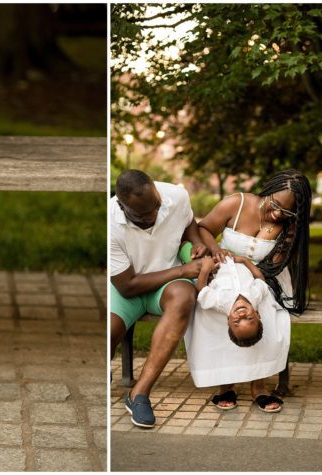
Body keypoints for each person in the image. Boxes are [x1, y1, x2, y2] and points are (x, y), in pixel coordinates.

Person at [186, 169, 311, 412]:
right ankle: (225, 384)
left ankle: (259, 385)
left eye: (286, 211)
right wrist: (216, 251)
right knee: (210, 312)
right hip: (224, 271)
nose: (276, 214)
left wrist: (284, 239)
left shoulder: (288, 226)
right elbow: (204, 229)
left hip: (264, 277)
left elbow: (274, 266)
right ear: (268, 190)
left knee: (263, 311)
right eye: (274, 204)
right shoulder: (238, 202)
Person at [109, 169, 208, 428]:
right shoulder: (108, 224)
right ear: (121, 206)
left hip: (166, 286)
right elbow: (128, 286)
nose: (153, 216)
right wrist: (183, 270)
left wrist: (196, 244)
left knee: (185, 296)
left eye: (156, 207)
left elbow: (188, 224)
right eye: (143, 214)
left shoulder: (175, 196)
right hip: (126, 289)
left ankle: (139, 393)